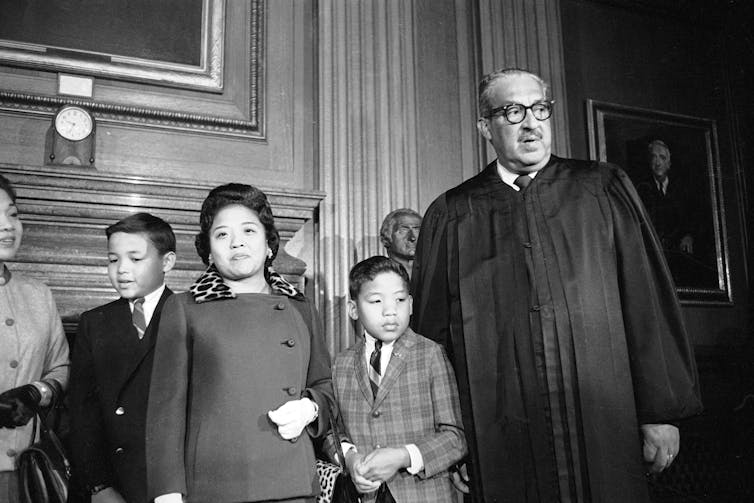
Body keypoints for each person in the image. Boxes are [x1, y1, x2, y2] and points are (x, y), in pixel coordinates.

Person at [410, 68, 703, 503]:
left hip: (604, 421)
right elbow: (432, 341)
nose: (531, 123)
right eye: (512, 111)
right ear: (484, 127)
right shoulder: (453, 214)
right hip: (500, 433)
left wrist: (660, 412)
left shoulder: (602, 189)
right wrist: (445, 442)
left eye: (540, 108)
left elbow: (645, 302)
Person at [146, 183, 334, 503]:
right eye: (222, 234)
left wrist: (310, 407)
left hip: (292, 485)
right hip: (215, 487)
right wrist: (167, 493)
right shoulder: (184, 307)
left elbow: (326, 385)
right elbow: (165, 414)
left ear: (268, 243)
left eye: (249, 229)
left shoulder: (301, 307)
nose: (237, 242)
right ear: (208, 249)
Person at [333, 256, 466, 502]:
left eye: (400, 300)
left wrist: (403, 456)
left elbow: (455, 438)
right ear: (353, 309)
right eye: (375, 301)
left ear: (411, 304)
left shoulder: (430, 354)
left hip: (425, 495)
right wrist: (351, 460)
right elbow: (336, 432)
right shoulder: (341, 364)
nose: (390, 310)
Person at [68, 212, 176, 503]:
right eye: (113, 260)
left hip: (168, 481)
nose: (122, 270)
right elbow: (81, 411)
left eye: (135, 259)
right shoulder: (95, 322)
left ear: (167, 262)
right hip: (110, 480)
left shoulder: (189, 317)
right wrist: (98, 486)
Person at [0, 174, 69, 503]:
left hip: (30, 477)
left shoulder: (38, 294)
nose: (7, 225)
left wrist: (35, 392)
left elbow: (60, 367)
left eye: (12, 214)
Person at [635, 139, 694, 254]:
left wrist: (688, 236)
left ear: (669, 163)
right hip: (652, 252)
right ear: (649, 161)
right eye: (654, 157)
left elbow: (689, 219)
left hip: (677, 252)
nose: (658, 163)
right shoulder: (642, 189)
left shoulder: (681, 189)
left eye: (662, 157)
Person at [379, 208, 422, 280]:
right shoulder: (378, 275)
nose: (412, 238)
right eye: (404, 230)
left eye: (417, 230)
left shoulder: (435, 274)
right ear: (387, 237)